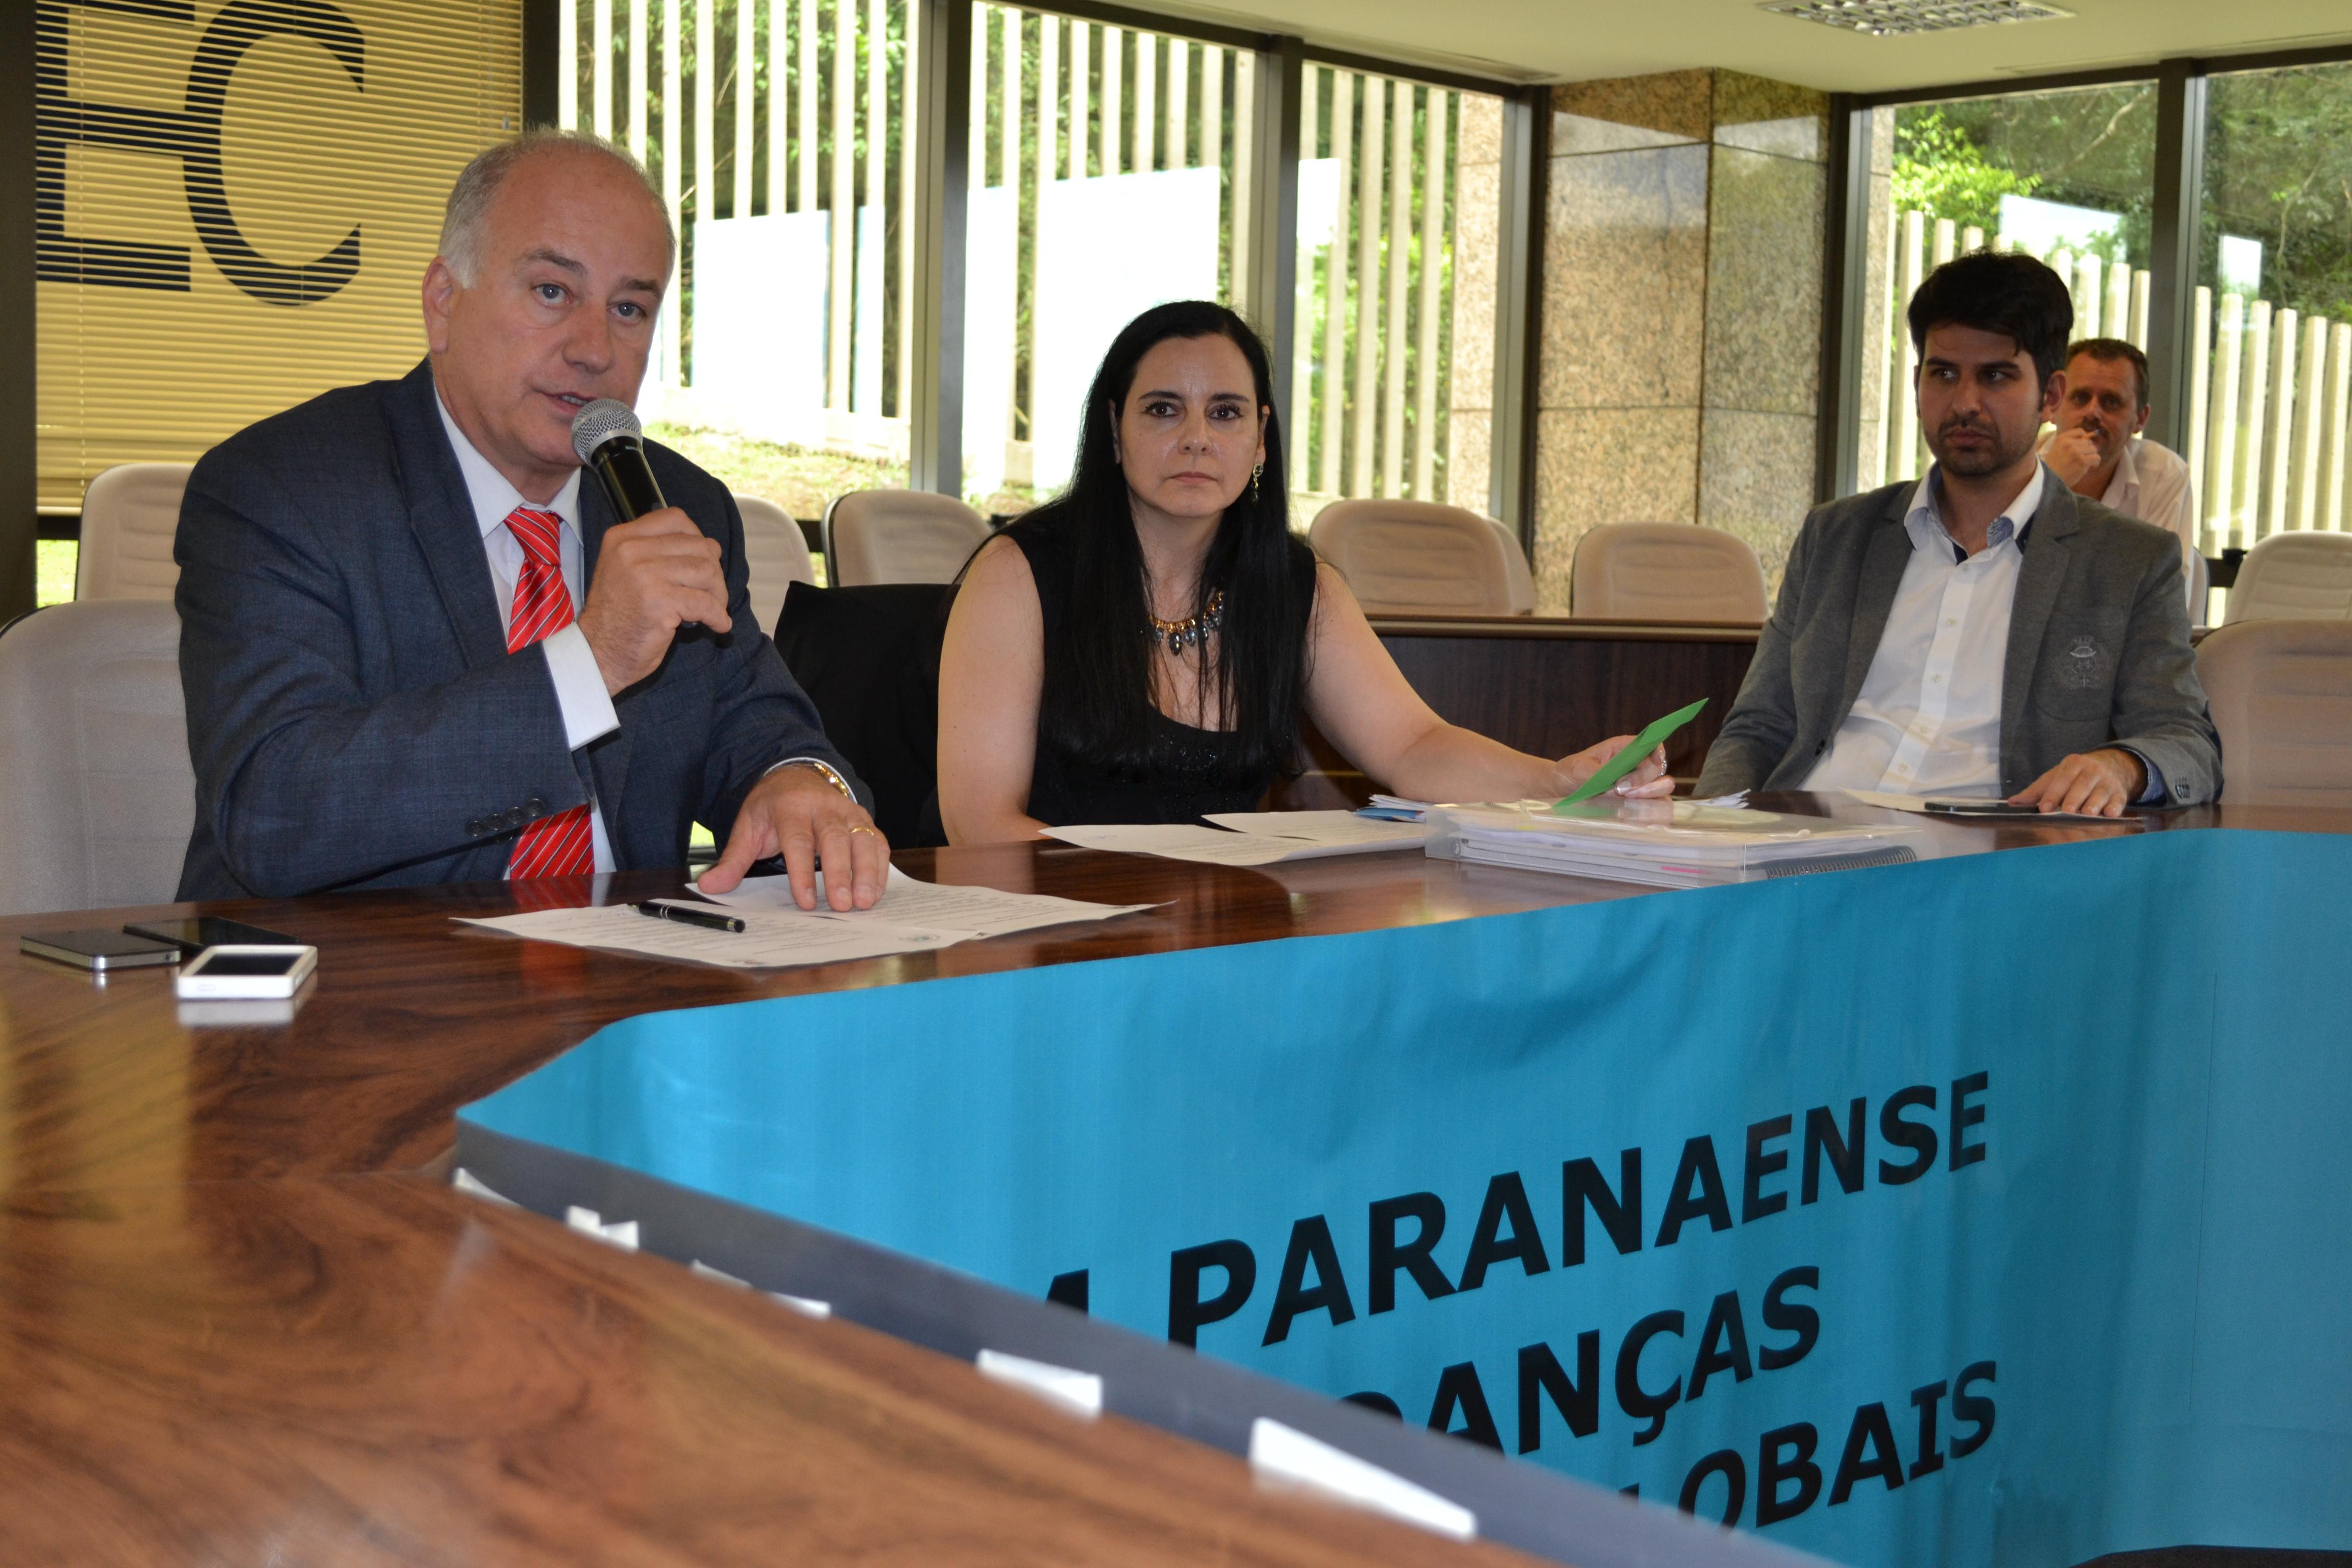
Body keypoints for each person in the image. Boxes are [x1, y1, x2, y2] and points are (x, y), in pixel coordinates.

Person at [176, 131, 886, 909]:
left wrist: (798, 782)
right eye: (553, 291)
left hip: (636, 984)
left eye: (629, 307)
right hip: (362, 993)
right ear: (443, 303)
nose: (595, 349)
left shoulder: (676, 505)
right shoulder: (287, 489)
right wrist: (591, 661)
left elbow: (767, 733)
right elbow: (274, 811)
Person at [933, 300, 1669, 844]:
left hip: (1213, 935)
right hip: (1050, 934)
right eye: (1163, 411)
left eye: (1224, 414)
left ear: (1260, 441)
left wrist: (1556, 781)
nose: (1195, 438)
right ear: (1115, 434)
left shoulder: (1294, 587)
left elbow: (1413, 748)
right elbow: (979, 823)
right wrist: (1149, 895)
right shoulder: (1018, 575)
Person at [1696, 252, 2218, 816]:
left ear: (2050, 397)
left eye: (1995, 376)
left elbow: (2187, 742)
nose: (1965, 403)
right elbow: (1758, 727)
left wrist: (2121, 765)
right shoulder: (1836, 537)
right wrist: (1702, 835)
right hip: (1802, 842)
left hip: (1989, 861)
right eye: (1943, 373)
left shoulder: (2130, 560)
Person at [2037, 336, 2203, 618]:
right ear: (2053, 404)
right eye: (2080, 398)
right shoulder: (2018, 466)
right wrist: (2051, 486)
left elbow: (2162, 598)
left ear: (2140, 419)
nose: (2092, 412)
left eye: (2111, 402)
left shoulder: (2163, 473)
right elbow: (2001, 585)